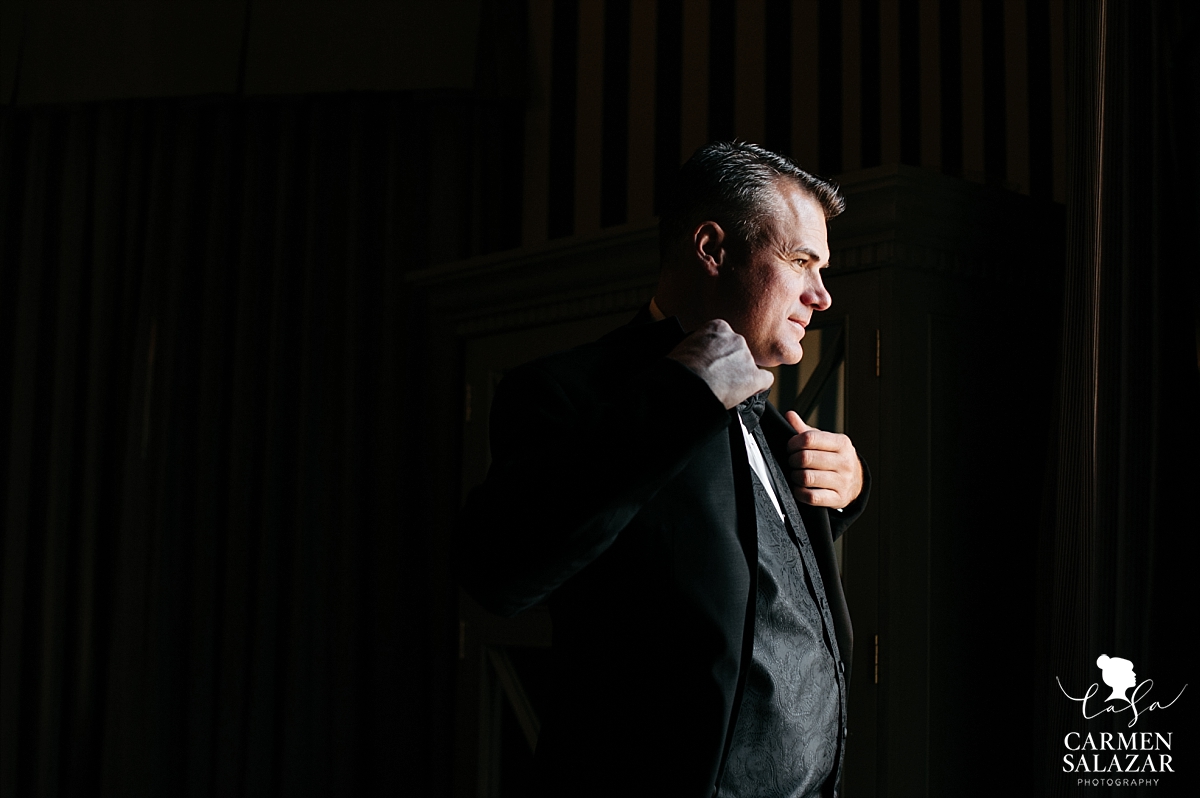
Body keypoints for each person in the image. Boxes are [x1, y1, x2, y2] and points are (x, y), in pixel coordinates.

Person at [458, 141, 869, 798]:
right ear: (712, 249)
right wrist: (682, 397)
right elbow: (501, 573)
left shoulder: (771, 425)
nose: (821, 295)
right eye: (800, 262)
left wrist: (841, 496)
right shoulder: (570, 392)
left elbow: (735, 575)